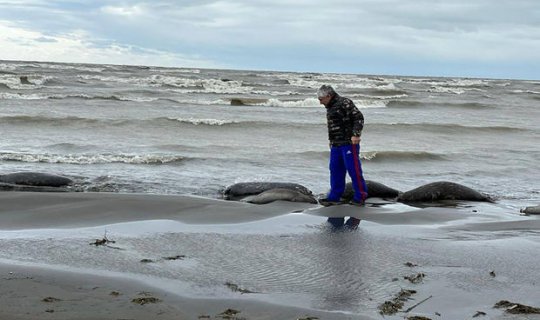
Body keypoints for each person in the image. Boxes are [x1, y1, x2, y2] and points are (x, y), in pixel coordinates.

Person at [317, 85, 368, 229]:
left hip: (348, 142)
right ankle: (334, 197)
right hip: (336, 144)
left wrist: (356, 135)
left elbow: (359, 117)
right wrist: (331, 141)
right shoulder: (330, 106)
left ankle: (360, 196)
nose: (320, 102)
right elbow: (333, 126)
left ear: (329, 95)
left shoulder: (345, 102)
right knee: (335, 169)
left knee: (353, 170)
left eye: (321, 99)